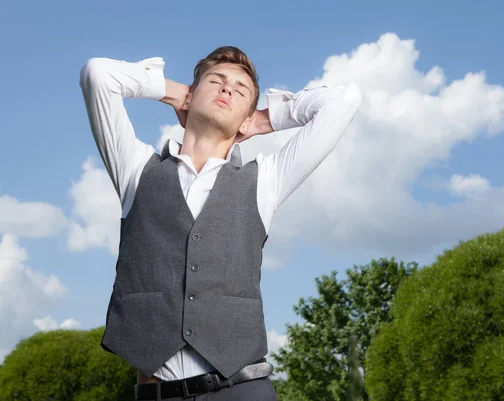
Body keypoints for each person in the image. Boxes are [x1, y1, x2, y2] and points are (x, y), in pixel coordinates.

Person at [79, 46, 362, 400]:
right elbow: (97, 75)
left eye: (240, 90)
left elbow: (345, 100)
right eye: (216, 81)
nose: (227, 89)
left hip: (243, 390)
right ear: (190, 97)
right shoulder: (135, 170)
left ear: (247, 118)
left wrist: (266, 118)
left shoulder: (266, 181)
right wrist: (173, 92)